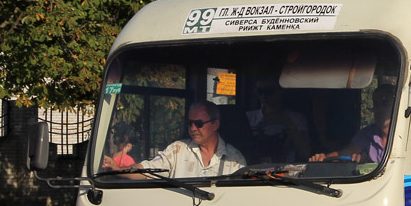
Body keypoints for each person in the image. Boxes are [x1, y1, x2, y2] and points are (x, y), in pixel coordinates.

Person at [103, 100, 245, 178]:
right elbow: (147, 170)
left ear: (215, 125)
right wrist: (118, 169)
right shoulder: (177, 150)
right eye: (190, 123)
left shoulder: (235, 160)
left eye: (199, 124)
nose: (193, 128)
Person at [310, 84, 395, 164]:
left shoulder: (407, 138)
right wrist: (324, 158)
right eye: (376, 104)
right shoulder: (367, 134)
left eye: (385, 104)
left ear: (397, 105)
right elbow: (344, 154)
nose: (379, 109)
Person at [246, 78, 311, 162]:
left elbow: (306, 153)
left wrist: (288, 123)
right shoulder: (248, 117)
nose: (264, 96)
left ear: (280, 91)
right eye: (260, 91)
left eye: (269, 91)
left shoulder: (297, 118)